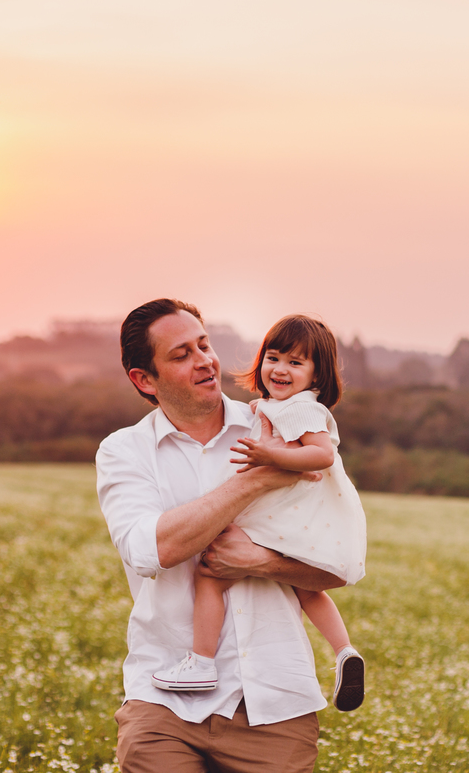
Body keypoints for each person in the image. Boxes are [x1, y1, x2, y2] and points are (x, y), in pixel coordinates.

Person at [96, 298, 353, 773]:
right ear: (144, 379)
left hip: (275, 701)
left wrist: (262, 562)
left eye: (204, 345)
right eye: (182, 354)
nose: (205, 361)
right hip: (164, 700)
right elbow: (150, 549)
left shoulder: (280, 427)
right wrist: (257, 479)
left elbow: (335, 566)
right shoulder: (123, 451)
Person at [151, 315, 367, 713]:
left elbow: (323, 454)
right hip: (300, 515)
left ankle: (201, 663)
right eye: (273, 357)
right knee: (308, 589)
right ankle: (344, 652)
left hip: (284, 510)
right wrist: (265, 409)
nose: (280, 369)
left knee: (210, 573)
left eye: (295, 363)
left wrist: (270, 455)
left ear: (317, 376)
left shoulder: (301, 410)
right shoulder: (288, 406)